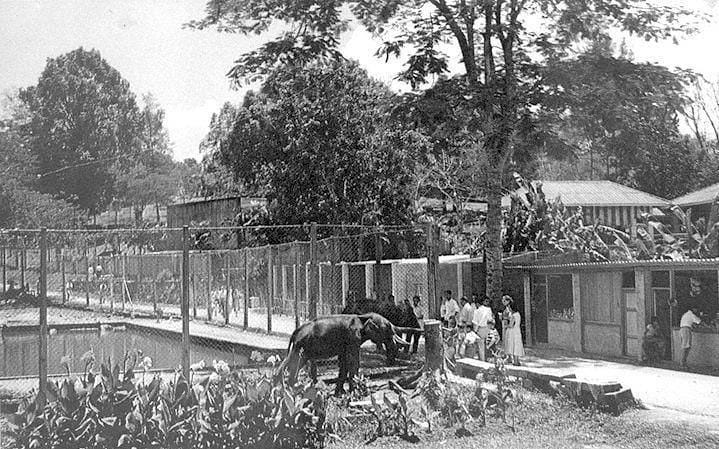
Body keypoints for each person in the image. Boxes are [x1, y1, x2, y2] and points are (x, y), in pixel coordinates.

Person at [502, 295, 525, 366]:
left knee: (512, 345)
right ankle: (516, 360)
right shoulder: (518, 314)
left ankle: (514, 361)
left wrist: (505, 326)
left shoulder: (513, 315)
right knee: (517, 345)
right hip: (517, 331)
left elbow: (511, 325)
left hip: (512, 331)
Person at [472, 296, 494, 361]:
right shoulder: (489, 310)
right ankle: (487, 359)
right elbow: (490, 320)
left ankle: (482, 360)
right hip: (487, 328)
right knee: (487, 345)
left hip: (480, 329)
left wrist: (475, 331)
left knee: (480, 347)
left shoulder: (477, 311)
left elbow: (475, 322)